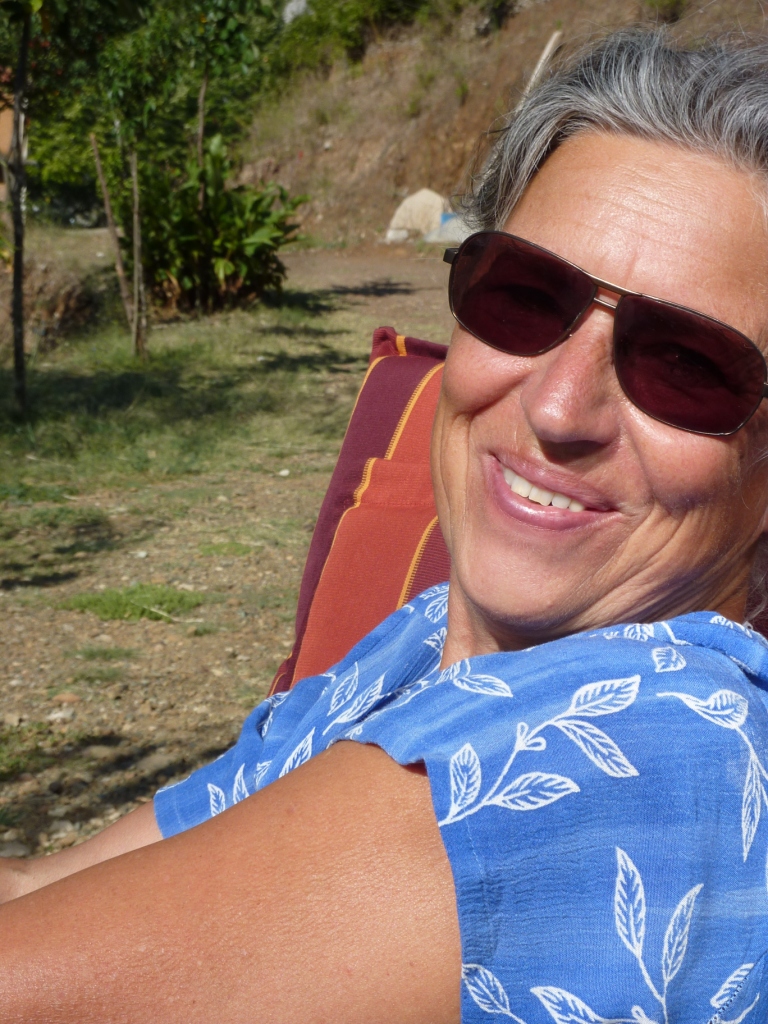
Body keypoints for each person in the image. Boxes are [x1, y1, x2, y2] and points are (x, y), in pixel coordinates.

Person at [2, 28, 768, 1023]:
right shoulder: (428, 637)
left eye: (685, 364)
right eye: (526, 296)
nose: (556, 408)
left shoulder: (653, 752)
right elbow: (38, 888)